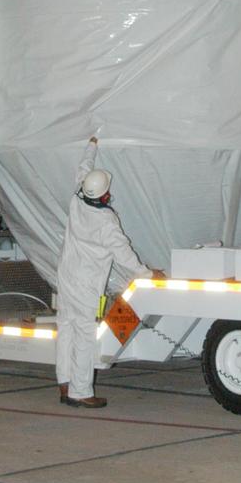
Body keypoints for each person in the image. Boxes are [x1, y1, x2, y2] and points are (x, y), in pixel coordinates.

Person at [56, 134, 161, 409]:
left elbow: (83, 169)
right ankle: (80, 392)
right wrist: (149, 274)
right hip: (87, 287)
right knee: (84, 336)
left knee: (65, 329)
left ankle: (64, 383)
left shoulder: (76, 201)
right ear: (105, 195)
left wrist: (91, 145)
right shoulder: (106, 222)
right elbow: (124, 255)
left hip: (66, 278)